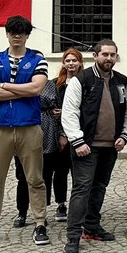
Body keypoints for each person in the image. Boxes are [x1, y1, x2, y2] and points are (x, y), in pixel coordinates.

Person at [0, 14, 50, 247]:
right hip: (0, 127)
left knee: (35, 179)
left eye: (21, 32)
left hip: (29, 127)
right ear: (7, 34)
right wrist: (20, 90)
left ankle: (40, 223)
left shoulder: (38, 60)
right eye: (13, 31)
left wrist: (3, 85)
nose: (17, 36)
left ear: (27, 35)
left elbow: (36, 88)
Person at [60, 39, 127, 253]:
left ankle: (91, 227)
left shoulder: (121, 81)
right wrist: (78, 141)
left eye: (112, 55)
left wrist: (124, 135)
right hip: (86, 146)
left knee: (100, 186)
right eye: (105, 54)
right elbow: (70, 112)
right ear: (95, 55)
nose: (109, 58)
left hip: (111, 146)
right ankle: (73, 236)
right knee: (82, 189)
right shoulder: (81, 80)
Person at [43, 47, 83, 223]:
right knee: (59, 171)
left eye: (74, 60)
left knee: (78, 172)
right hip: (58, 133)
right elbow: (47, 104)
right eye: (68, 60)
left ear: (80, 62)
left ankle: (79, 205)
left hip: (79, 133)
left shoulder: (86, 81)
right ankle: (61, 203)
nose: (71, 63)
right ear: (63, 63)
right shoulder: (56, 83)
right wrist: (53, 111)